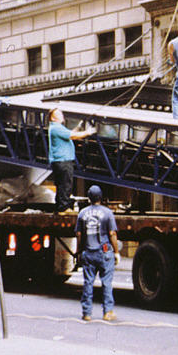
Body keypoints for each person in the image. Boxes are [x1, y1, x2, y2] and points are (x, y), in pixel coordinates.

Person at [75, 185, 120, 321]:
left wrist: (79, 251)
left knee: (88, 282)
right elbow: (112, 234)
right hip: (104, 252)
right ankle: (107, 312)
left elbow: (78, 234)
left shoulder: (82, 213)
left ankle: (87, 313)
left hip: (88, 252)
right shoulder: (107, 213)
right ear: (101, 197)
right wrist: (116, 252)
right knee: (106, 282)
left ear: (89, 197)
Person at [48, 108, 96, 213]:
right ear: (53, 117)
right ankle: (64, 208)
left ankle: (60, 206)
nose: (62, 116)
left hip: (59, 161)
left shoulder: (57, 128)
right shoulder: (56, 128)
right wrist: (87, 132)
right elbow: (72, 136)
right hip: (63, 161)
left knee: (62, 184)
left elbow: (70, 133)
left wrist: (78, 127)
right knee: (66, 184)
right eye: (59, 114)